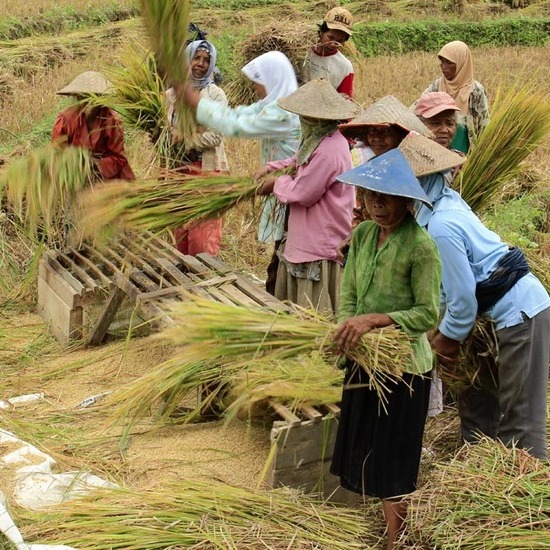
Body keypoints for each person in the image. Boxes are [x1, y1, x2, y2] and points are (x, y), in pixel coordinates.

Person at [398, 132, 550, 461]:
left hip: (520, 315)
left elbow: (463, 301)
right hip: (496, 316)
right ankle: (479, 470)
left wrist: (445, 341)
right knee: (481, 405)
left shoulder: (440, 225)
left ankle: (526, 497)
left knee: (521, 419)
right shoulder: (447, 201)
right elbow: (446, 290)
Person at [331, 148, 442, 550]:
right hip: (365, 359)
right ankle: (385, 526)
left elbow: (428, 313)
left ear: (408, 201)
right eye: (370, 196)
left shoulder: (421, 247)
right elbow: (350, 294)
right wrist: (346, 329)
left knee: (394, 459)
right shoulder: (361, 235)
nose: (376, 204)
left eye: (387, 197)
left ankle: (397, 541)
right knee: (365, 449)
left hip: (404, 368)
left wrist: (376, 320)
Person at [181, 50, 300, 294]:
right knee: (283, 252)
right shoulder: (274, 105)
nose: (255, 89)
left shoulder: (284, 113)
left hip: (296, 191)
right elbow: (240, 114)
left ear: (273, 81)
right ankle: (279, 298)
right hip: (282, 186)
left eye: (258, 83)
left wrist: (194, 102)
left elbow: (234, 125)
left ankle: (284, 304)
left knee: (290, 252)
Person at [255, 78, 360, 314]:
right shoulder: (318, 138)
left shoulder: (331, 148)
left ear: (320, 118)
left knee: (312, 311)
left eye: (306, 115)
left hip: (320, 241)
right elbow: (299, 160)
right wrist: (273, 167)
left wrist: (275, 184)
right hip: (306, 235)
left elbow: (304, 193)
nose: (302, 120)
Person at [337, 95, 432, 253]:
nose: (377, 138)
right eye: (372, 131)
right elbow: (361, 211)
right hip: (374, 245)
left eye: (386, 131)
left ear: (400, 135)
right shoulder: (369, 169)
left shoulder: (415, 169)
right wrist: (355, 235)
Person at [166, 39, 229, 256]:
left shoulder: (215, 95)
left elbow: (216, 136)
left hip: (206, 172)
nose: (200, 64)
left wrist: (186, 138)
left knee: (202, 235)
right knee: (181, 231)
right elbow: (164, 130)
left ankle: (201, 282)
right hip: (178, 172)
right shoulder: (171, 95)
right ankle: (183, 281)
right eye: (196, 58)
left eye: (206, 60)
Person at [52, 71, 135, 181]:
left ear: (101, 99)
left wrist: (94, 165)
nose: (88, 103)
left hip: (107, 176)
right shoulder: (66, 118)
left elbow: (119, 158)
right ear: (77, 97)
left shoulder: (112, 121)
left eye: (93, 98)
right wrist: (75, 163)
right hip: (74, 174)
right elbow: (57, 152)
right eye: (84, 98)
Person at [419, 40, 489, 153]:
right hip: (440, 143)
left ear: (462, 63)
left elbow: (483, 124)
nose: (443, 67)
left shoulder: (475, 90)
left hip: (464, 142)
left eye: (449, 62)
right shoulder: (437, 85)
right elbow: (418, 109)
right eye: (442, 62)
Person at [302, 7, 355, 98]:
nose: (334, 44)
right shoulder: (301, 52)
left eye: (340, 40)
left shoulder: (345, 67)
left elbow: (346, 101)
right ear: (321, 32)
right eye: (330, 37)